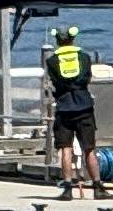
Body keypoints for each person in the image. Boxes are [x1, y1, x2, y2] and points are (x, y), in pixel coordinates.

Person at [44, 23, 103, 197]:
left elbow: (55, 81)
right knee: (89, 148)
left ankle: (68, 188)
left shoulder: (52, 61)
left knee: (66, 148)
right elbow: (86, 78)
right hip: (84, 106)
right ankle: (98, 187)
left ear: (57, 40)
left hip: (64, 107)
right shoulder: (84, 57)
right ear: (72, 38)